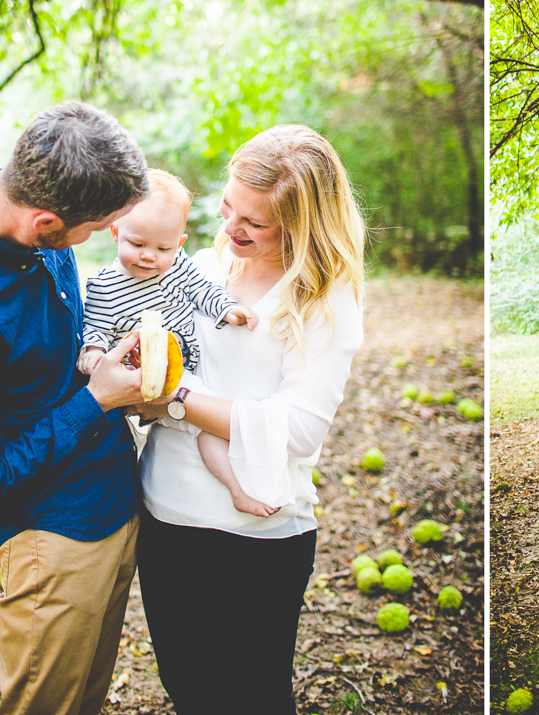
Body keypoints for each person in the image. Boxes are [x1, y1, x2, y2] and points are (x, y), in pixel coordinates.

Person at [0, 102, 152, 715]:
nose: (94, 242)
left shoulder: (24, 204)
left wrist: (97, 359)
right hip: (56, 539)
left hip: (114, 500)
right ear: (45, 224)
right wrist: (97, 401)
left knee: (84, 699)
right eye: (92, 231)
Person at [133, 124, 365, 714]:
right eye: (228, 205)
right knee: (189, 690)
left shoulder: (321, 298)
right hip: (165, 516)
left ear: (300, 225)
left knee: (251, 697)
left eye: (254, 223)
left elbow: (299, 429)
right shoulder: (203, 270)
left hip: (255, 539)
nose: (230, 227)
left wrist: (177, 400)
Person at [76, 168, 272, 516]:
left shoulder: (177, 267)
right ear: (115, 231)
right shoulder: (104, 286)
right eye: (137, 244)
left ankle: (233, 490)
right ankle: (237, 491)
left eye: (162, 247)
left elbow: (202, 291)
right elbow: (96, 326)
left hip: (182, 369)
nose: (149, 256)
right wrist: (93, 350)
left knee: (205, 425)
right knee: (210, 429)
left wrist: (227, 310)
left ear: (179, 244)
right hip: (143, 375)